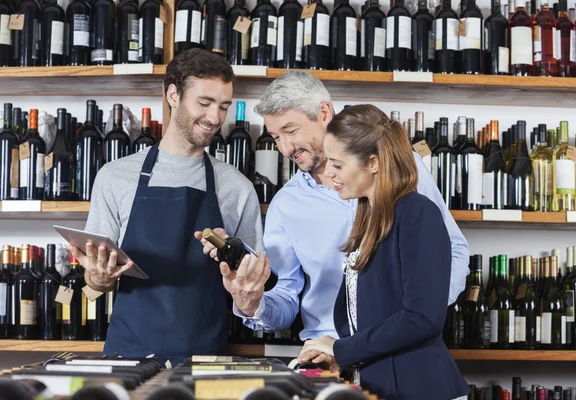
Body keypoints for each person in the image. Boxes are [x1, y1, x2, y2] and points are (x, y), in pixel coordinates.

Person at [201, 71, 469, 343]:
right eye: (275, 137)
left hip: (406, 349)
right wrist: (252, 303)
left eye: (290, 131)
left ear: (324, 113)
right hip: (328, 353)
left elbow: (453, 251)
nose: (285, 148)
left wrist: (417, 316)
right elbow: (285, 293)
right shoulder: (286, 205)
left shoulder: (399, 166)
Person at [70, 48, 265, 365]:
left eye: (223, 106)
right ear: (173, 94)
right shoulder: (115, 177)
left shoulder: (237, 188)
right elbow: (94, 281)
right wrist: (99, 280)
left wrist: (244, 281)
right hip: (129, 357)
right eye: (204, 103)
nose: (215, 117)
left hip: (207, 362)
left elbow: (252, 286)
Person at [298, 104, 470, 400]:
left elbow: (423, 317)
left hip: (420, 389)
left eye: (338, 164)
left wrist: (342, 348)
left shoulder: (417, 212)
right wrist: (344, 357)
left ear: (373, 163)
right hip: (380, 387)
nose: (329, 173)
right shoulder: (369, 218)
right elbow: (374, 315)